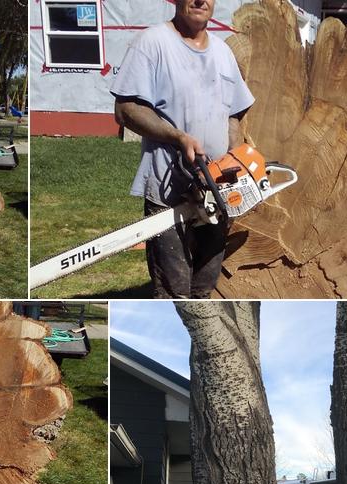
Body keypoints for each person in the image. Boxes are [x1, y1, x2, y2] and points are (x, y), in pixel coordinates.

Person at [110, 0, 255, 299]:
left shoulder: (223, 53)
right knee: (173, 287)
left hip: (215, 189)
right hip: (168, 187)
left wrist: (235, 161)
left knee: (204, 285)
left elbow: (234, 113)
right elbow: (126, 110)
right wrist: (178, 137)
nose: (201, 0)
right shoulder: (152, 43)